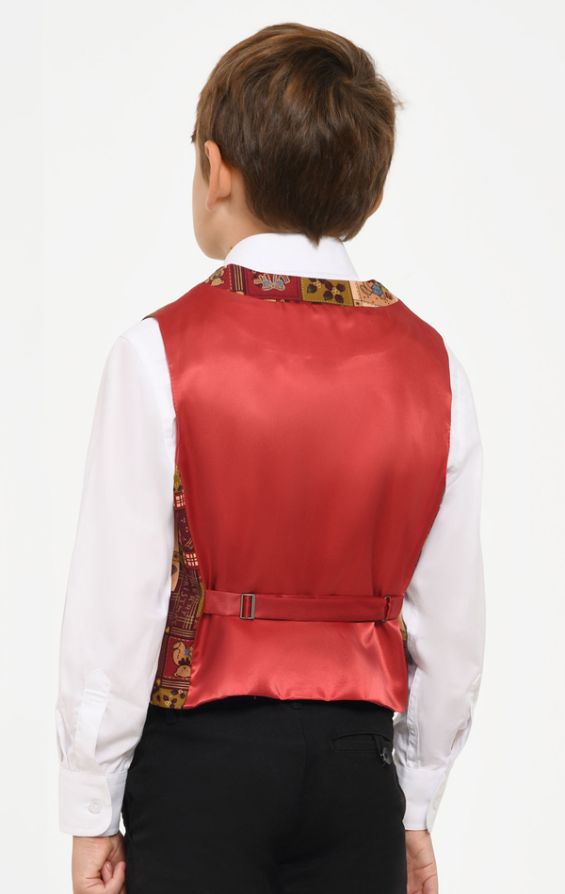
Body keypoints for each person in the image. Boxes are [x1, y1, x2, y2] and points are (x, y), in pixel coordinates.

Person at [55, 21, 486, 894]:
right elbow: (452, 628)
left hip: (199, 766)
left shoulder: (159, 354)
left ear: (215, 169)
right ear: (366, 191)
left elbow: (118, 606)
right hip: (355, 770)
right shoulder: (433, 369)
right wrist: (414, 804)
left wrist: (90, 807)